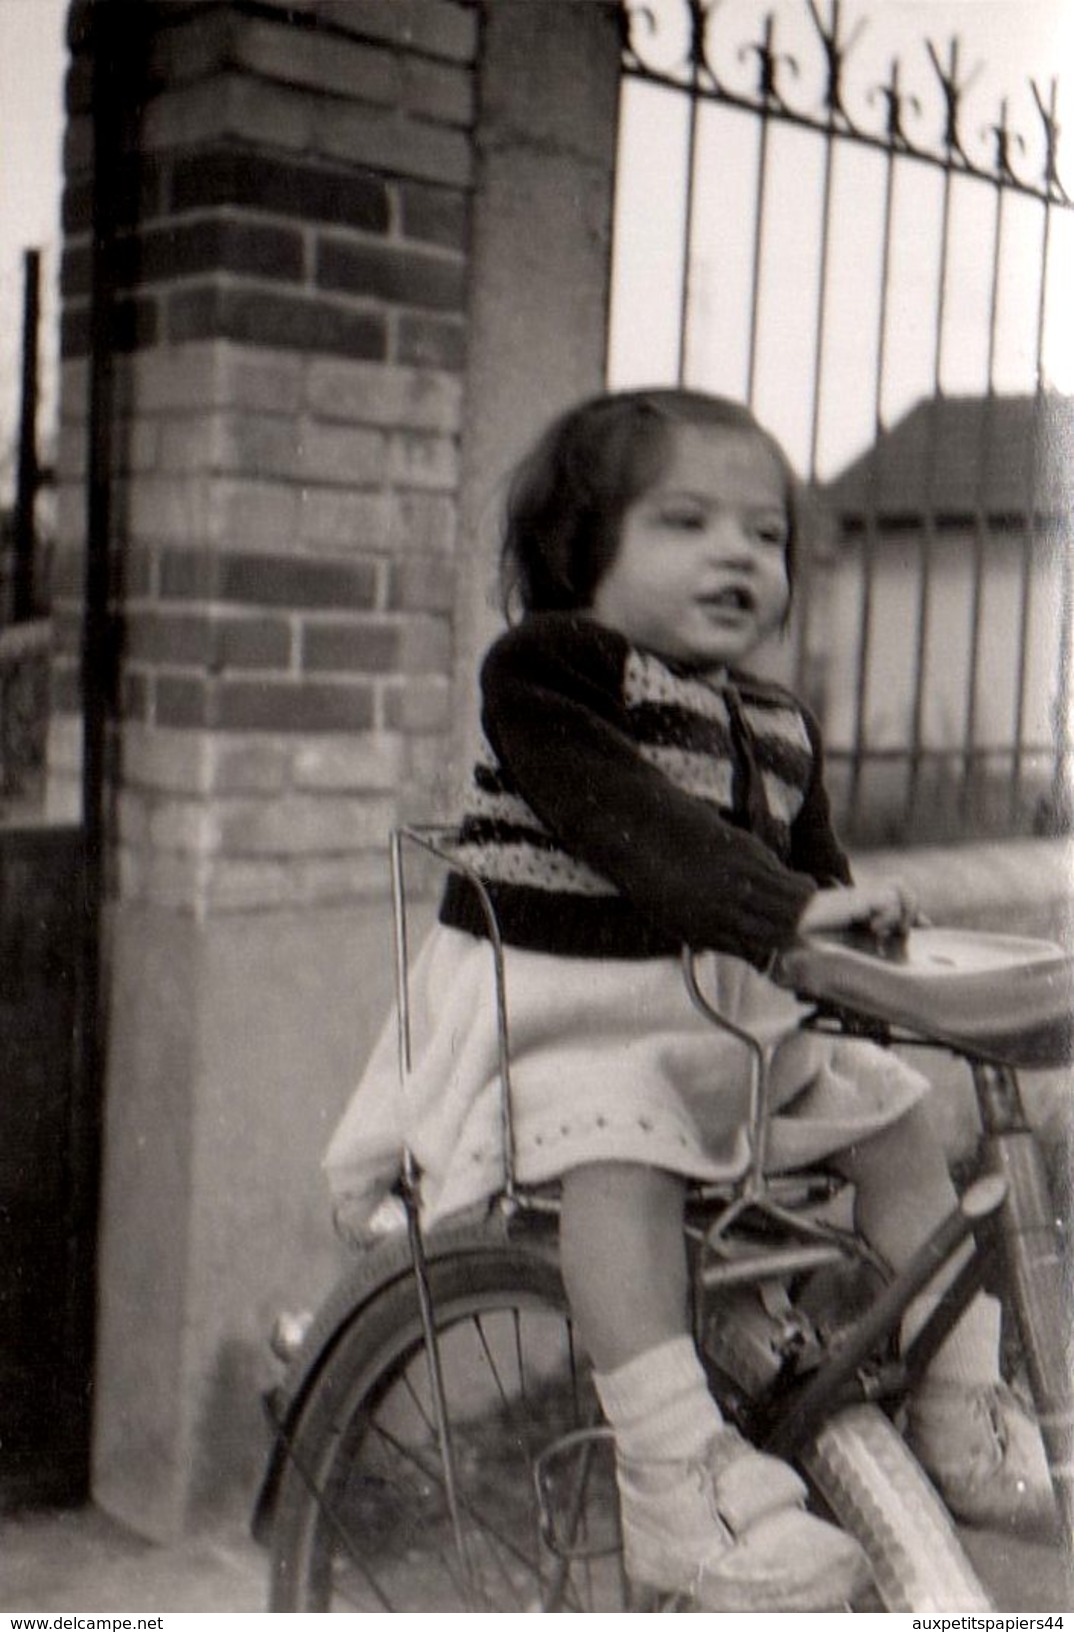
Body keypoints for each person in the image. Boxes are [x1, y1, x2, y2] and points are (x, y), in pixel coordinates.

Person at [325, 389, 1051, 1611]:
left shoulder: (776, 720)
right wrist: (783, 912)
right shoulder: (553, 672)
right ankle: (677, 1478)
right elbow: (643, 829)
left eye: (766, 535)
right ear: (583, 549)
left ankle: (955, 1394)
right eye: (689, 522)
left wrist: (856, 939)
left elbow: (815, 885)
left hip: (719, 1027)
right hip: (565, 1024)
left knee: (894, 1112)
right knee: (619, 1145)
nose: (740, 554)